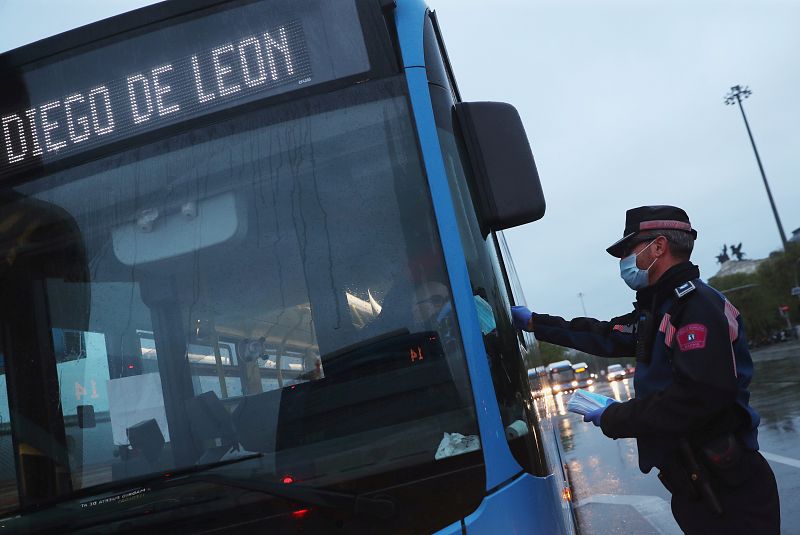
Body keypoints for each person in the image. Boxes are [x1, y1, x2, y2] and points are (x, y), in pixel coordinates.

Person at [511, 205, 780, 534]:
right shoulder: (663, 307)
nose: (625, 260)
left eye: (629, 250)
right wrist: (537, 324)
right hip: (697, 482)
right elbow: (605, 335)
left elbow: (697, 400)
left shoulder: (696, 309)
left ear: (658, 247)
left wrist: (614, 415)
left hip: (727, 491)